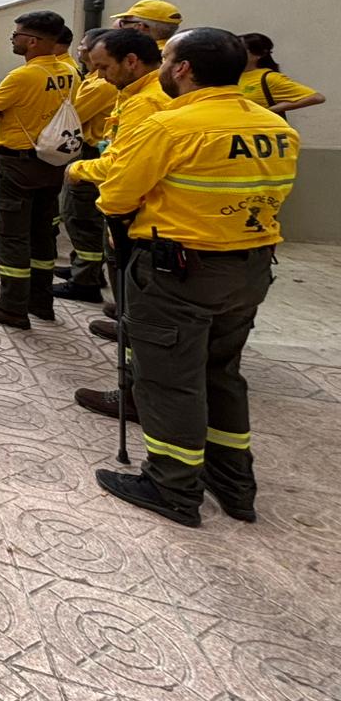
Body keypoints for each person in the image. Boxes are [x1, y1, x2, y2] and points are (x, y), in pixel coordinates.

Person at [88, 28, 299, 527]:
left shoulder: (169, 127)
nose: (161, 65)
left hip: (180, 269)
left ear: (182, 69)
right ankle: (234, 482)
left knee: (169, 379)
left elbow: (115, 197)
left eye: (166, 57)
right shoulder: (276, 128)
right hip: (249, 266)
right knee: (222, 373)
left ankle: (173, 486)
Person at [55, 30, 168, 387]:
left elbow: (125, 167)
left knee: (144, 304)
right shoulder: (136, 93)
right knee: (135, 299)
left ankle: (136, 387)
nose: (100, 75)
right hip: (142, 212)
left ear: (131, 61)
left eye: (103, 66)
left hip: (138, 216)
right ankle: (126, 325)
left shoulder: (147, 103)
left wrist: (79, 171)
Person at [0, 10, 78, 329]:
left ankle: (12, 305)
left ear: (32, 41)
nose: (12, 39)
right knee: (43, 231)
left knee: (12, 234)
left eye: (16, 35)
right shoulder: (71, 72)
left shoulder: (23, 76)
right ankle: (41, 301)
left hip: (17, 162)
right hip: (52, 161)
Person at [55, 29, 121, 301]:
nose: (79, 50)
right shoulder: (94, 78)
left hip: (92, 153)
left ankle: (86, 280)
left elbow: (74, 115)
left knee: (81, 217)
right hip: (90, 149)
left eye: (83, 46)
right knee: (77, 215)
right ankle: (81, 267)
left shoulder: (101, 84)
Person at [238, 34, 325, 116]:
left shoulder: (269, 78)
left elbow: (316, 98)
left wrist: (270, 111)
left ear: (258, 54)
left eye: (242, 50)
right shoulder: (232, 76)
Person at [112, 0, 182, 52]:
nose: (121, 27)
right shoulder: (179, 52)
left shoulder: (136, 58)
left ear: (140, 26)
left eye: (124, 22)